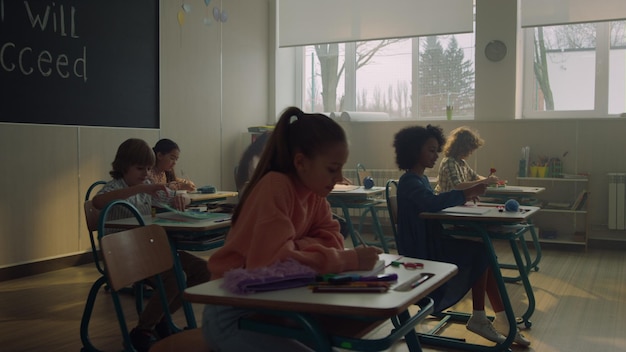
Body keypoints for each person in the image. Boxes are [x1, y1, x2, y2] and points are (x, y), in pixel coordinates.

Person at [199, 106, 382, 351]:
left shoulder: (314, 194)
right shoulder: (276, 186)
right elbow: (273, 266)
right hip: (235, 314)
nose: (339, 177)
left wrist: (295, 247)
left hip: (278, 307)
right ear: (301, 162)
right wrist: (348, 259)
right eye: (332, 168)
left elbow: (333, 241)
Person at [392, 125, 530, 346]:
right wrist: (466, 193)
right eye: (431, 150)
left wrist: (466, 194)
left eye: (437, 150)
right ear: (413, 150)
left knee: (483, 251)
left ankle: (500, 318)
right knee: (481, 251)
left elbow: (433, 205)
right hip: (422, 251)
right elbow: (432, 203)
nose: (436, 155)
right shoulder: (410, 181)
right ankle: (481, 317)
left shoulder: (421, 180)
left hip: (431, 242)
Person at [92, 138, 211, 352]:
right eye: (140, 168)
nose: (146, 174)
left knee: (204, 270)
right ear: (123, 166)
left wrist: (181, 198)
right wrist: (139, 189)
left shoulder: (144, 187)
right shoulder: (114, 188)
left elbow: (168, 197)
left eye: (148, 168)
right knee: (176, 277)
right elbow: (98, 203)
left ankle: (160, 319)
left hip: (150, 249)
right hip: (122, 255)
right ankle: (144, 330)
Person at [435, 126, 498, 194]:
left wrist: (489, 180)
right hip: (446, 202)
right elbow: (457, 186)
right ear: (463, 148)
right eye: (470, 150)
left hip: (456, 200)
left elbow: (475, 177)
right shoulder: (449, 162)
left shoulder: (462, 162)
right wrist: (484, 181)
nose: (470, 153)